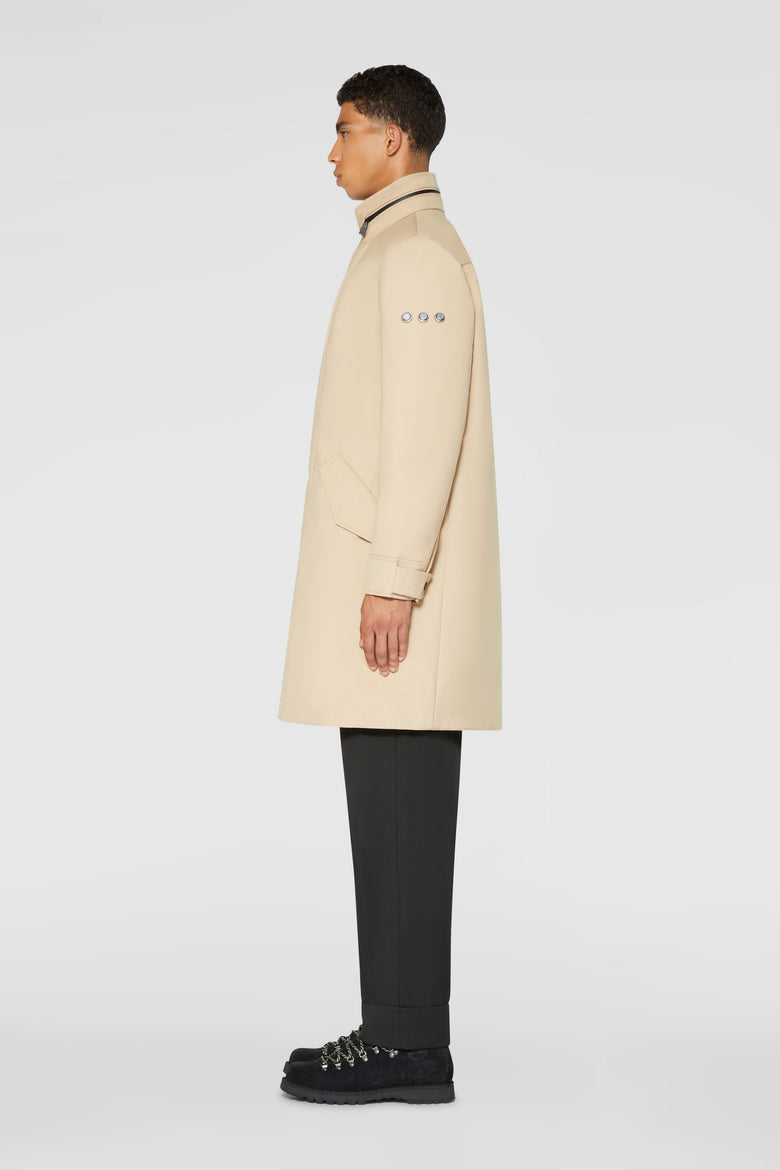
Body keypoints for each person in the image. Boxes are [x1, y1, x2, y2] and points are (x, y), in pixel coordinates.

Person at [277, 64, 502, 1105]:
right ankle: (395, 1031)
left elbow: (423, 434)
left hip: (399, 593)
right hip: (389, 583)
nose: (332, 152)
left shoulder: (415, 255)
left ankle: (411, 1047)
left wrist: (395, 581)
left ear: (395, 140)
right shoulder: (395, 245)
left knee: (401, 808)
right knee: (388, 809)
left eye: (346, 130)